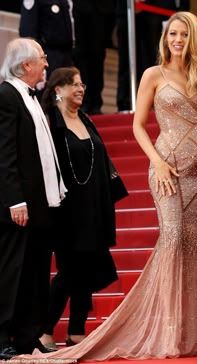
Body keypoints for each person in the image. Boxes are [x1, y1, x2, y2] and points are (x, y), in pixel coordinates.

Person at [15, 12, 197, 362]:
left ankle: (190, 334)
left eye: (184, 34)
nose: (178, 40)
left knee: (196, 248)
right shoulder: (153, 75)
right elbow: (139, 125)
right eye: (173, 33)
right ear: (165, 37)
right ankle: (166, 332)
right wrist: (156, 160)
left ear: (194, 37)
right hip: (166, 167)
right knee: (172, 240)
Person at [36, 67, 127, 350]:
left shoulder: (86, 119)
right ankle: (44, 330)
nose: (81, 88)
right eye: (73, 84)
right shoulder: (50, 123)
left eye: (82, 83)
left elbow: (101, 160)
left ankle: (76, 330)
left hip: (93, 207)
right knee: (69, 270)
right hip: (66, 210)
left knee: (85, 270)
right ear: (58, 90)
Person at [0, 37, 67, 360]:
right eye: (41, 58)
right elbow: (4, 154)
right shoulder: (6, 96)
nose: (46, 63)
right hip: (19, 204)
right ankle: (2, 337)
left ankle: (27, 335)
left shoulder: (32, 97)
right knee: (12, 271)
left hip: (41, 203)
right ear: (26, 65)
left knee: (36, 272)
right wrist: (15, 200)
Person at [116, 0, 190, 112]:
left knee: (154, 58)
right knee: (126, 60)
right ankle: (125, 103)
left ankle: (155, 102)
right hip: (128, 11)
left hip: (156, 12)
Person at [72, 0, 116, 115]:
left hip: (103, 11)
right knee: (81, 56)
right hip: (79, 9)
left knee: (98, 57)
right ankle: (83, 100)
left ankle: (96, 102)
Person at [19, 0, 74, 79]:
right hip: (47, 54)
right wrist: (37, 62)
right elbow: (28, 33)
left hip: (67, 55)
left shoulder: (65, 1)